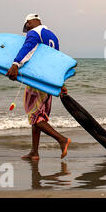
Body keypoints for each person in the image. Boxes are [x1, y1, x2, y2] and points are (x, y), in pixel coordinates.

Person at [6, 13, 71, 161]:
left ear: (29, 23)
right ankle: (34, 152)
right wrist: (60, 83)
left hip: (37, 79)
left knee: (34, 115)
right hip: (48, 81)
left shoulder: (34, 33)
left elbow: (28, 47)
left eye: (26, 26)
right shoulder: (52, 36)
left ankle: (62, 139)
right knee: (38, 116)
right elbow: (56, 61)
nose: (27, 30)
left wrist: (16, 64)